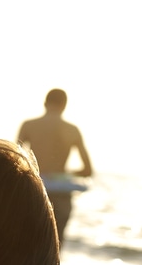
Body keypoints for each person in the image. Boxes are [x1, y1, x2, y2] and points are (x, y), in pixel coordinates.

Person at [17, 88, 93, 243]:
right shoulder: (72, 130)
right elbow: (88, 170)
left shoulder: (29, 125)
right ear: (64, 105)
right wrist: (62, 175)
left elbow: (16, 160)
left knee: (27, 243)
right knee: (55, 247)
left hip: (34, 191)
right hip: (62, 195)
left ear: (45, 103)